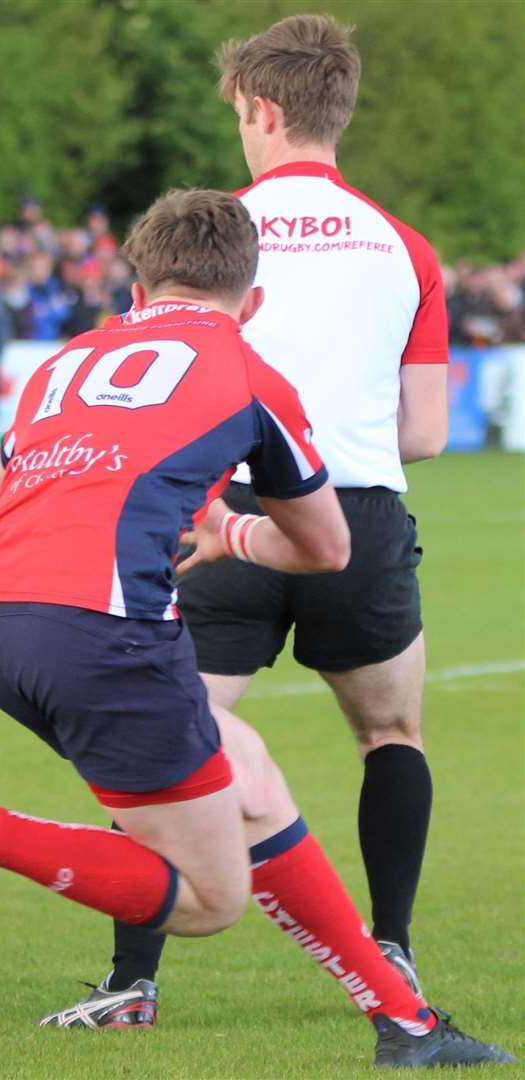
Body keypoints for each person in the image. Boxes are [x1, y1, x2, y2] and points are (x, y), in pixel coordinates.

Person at [0, 191, 513, 1068]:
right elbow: (328, 546)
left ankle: (404, 1024)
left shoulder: (69, 357)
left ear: (136, 286)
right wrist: (234, 533)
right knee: (208, 899)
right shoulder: (250, 372)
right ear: (251, 298)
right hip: (102, 631)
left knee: (251, 776)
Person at [51, 14, 456, 1029]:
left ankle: (133, 982)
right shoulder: (409, 248)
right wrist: (328, 458)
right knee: (391, 731)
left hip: (218, 514)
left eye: (241, 113)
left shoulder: (209, 235)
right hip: (353, 520)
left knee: (167, 744)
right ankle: (391, 951)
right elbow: (429, 431)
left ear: (264, 110)